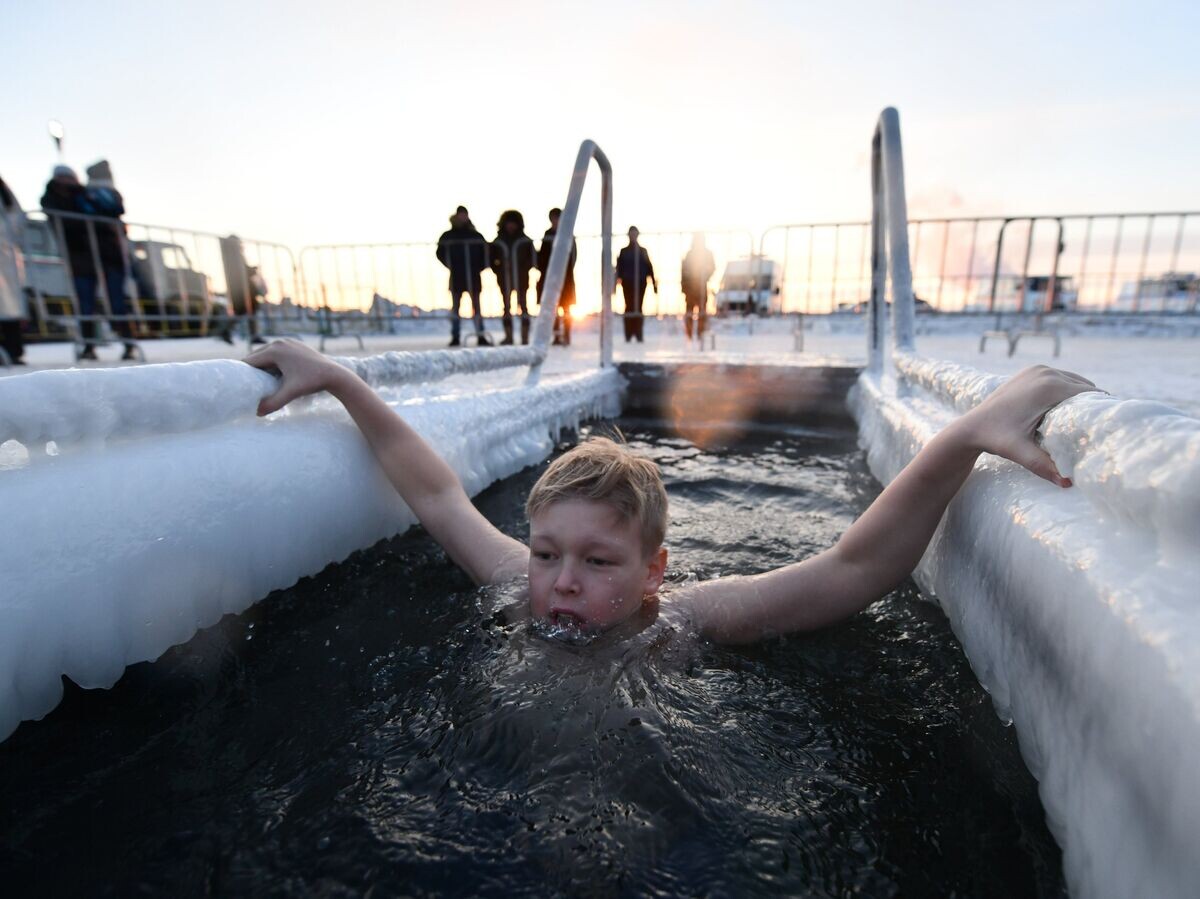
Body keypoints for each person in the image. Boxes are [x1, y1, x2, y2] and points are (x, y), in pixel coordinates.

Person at [246, 341, 1097, 645]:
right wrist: (344, 382)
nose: (561, 579)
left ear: (655, 571)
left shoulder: (687, 619)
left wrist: (961, 435)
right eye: (546, 552)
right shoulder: (516, 584)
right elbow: (436, 494)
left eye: (596, 558)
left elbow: (854, 567)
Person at [41, 163, 137, 360]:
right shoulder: (54, 198)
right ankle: (89, 345)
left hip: (108, 256)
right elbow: (65, 222)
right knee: (85, 303)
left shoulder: (87, 194)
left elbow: (113, 212)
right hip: (80, 257)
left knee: (116, 301)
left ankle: (128, 341)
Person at [436, 206, 490, 347]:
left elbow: (486, 253)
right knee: (456, 308)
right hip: (457, 276)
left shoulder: (475, 235)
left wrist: (479, 267)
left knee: (476, 307)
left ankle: (480, 335)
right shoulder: (448, 236)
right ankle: (455, 336)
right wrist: (451, 265)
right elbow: (440, 253)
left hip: (473, 276)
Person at [490, 210, 535, 345]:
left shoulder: (525, 240)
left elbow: (532, 259)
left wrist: (522, 266)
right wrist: (500, 269)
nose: (511, 226)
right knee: (506, 307)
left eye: (513, 223)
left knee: (524, 307)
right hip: (504, 279)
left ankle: (525, 336)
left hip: (522, 279)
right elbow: (492, 259)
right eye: (509, 223)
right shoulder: (499, 241)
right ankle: (508, 336)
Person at [536, 207, 577, 346]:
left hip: (566, 277)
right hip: (550, 278)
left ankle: (566, 334)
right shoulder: (547, 235)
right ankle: (555, 335)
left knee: (566, 307)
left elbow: (573, 256)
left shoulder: (568, 233)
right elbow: (542, 257)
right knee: (552, 308)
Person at [220, 235, 266, 345]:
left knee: (245, 312)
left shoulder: (231, 255)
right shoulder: (233, 255)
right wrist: (252, 270)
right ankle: (228, 332)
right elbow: (240, 271)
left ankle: (228, 332)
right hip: (243, 290)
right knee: (245, 311)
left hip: (242, 289)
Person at [0, 174, 27, 365]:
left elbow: (16, 217)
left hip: (6, 252)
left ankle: (13, 349)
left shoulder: (4, 191)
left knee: (10, 305)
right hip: (6, 251)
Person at [615, 226, 657, 343]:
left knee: (638, 308)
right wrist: (615, 284)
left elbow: (649, 267)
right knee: (629, 308)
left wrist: (654, 284)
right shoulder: (624, 251)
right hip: (627, 283)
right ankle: (628, 334)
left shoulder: (643, 251)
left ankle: (638, 333)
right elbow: (619, 269)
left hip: (640, 282)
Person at [681, 232, 715, 340]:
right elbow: (684, 271)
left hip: (701, 287)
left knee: (702, 311)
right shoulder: (690, 254)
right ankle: (689, 334)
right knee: (689, 311)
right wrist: (684, 286)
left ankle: (700, 333)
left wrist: (705, 276)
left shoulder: (707, 254)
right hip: (690, 288)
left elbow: (713, 267)